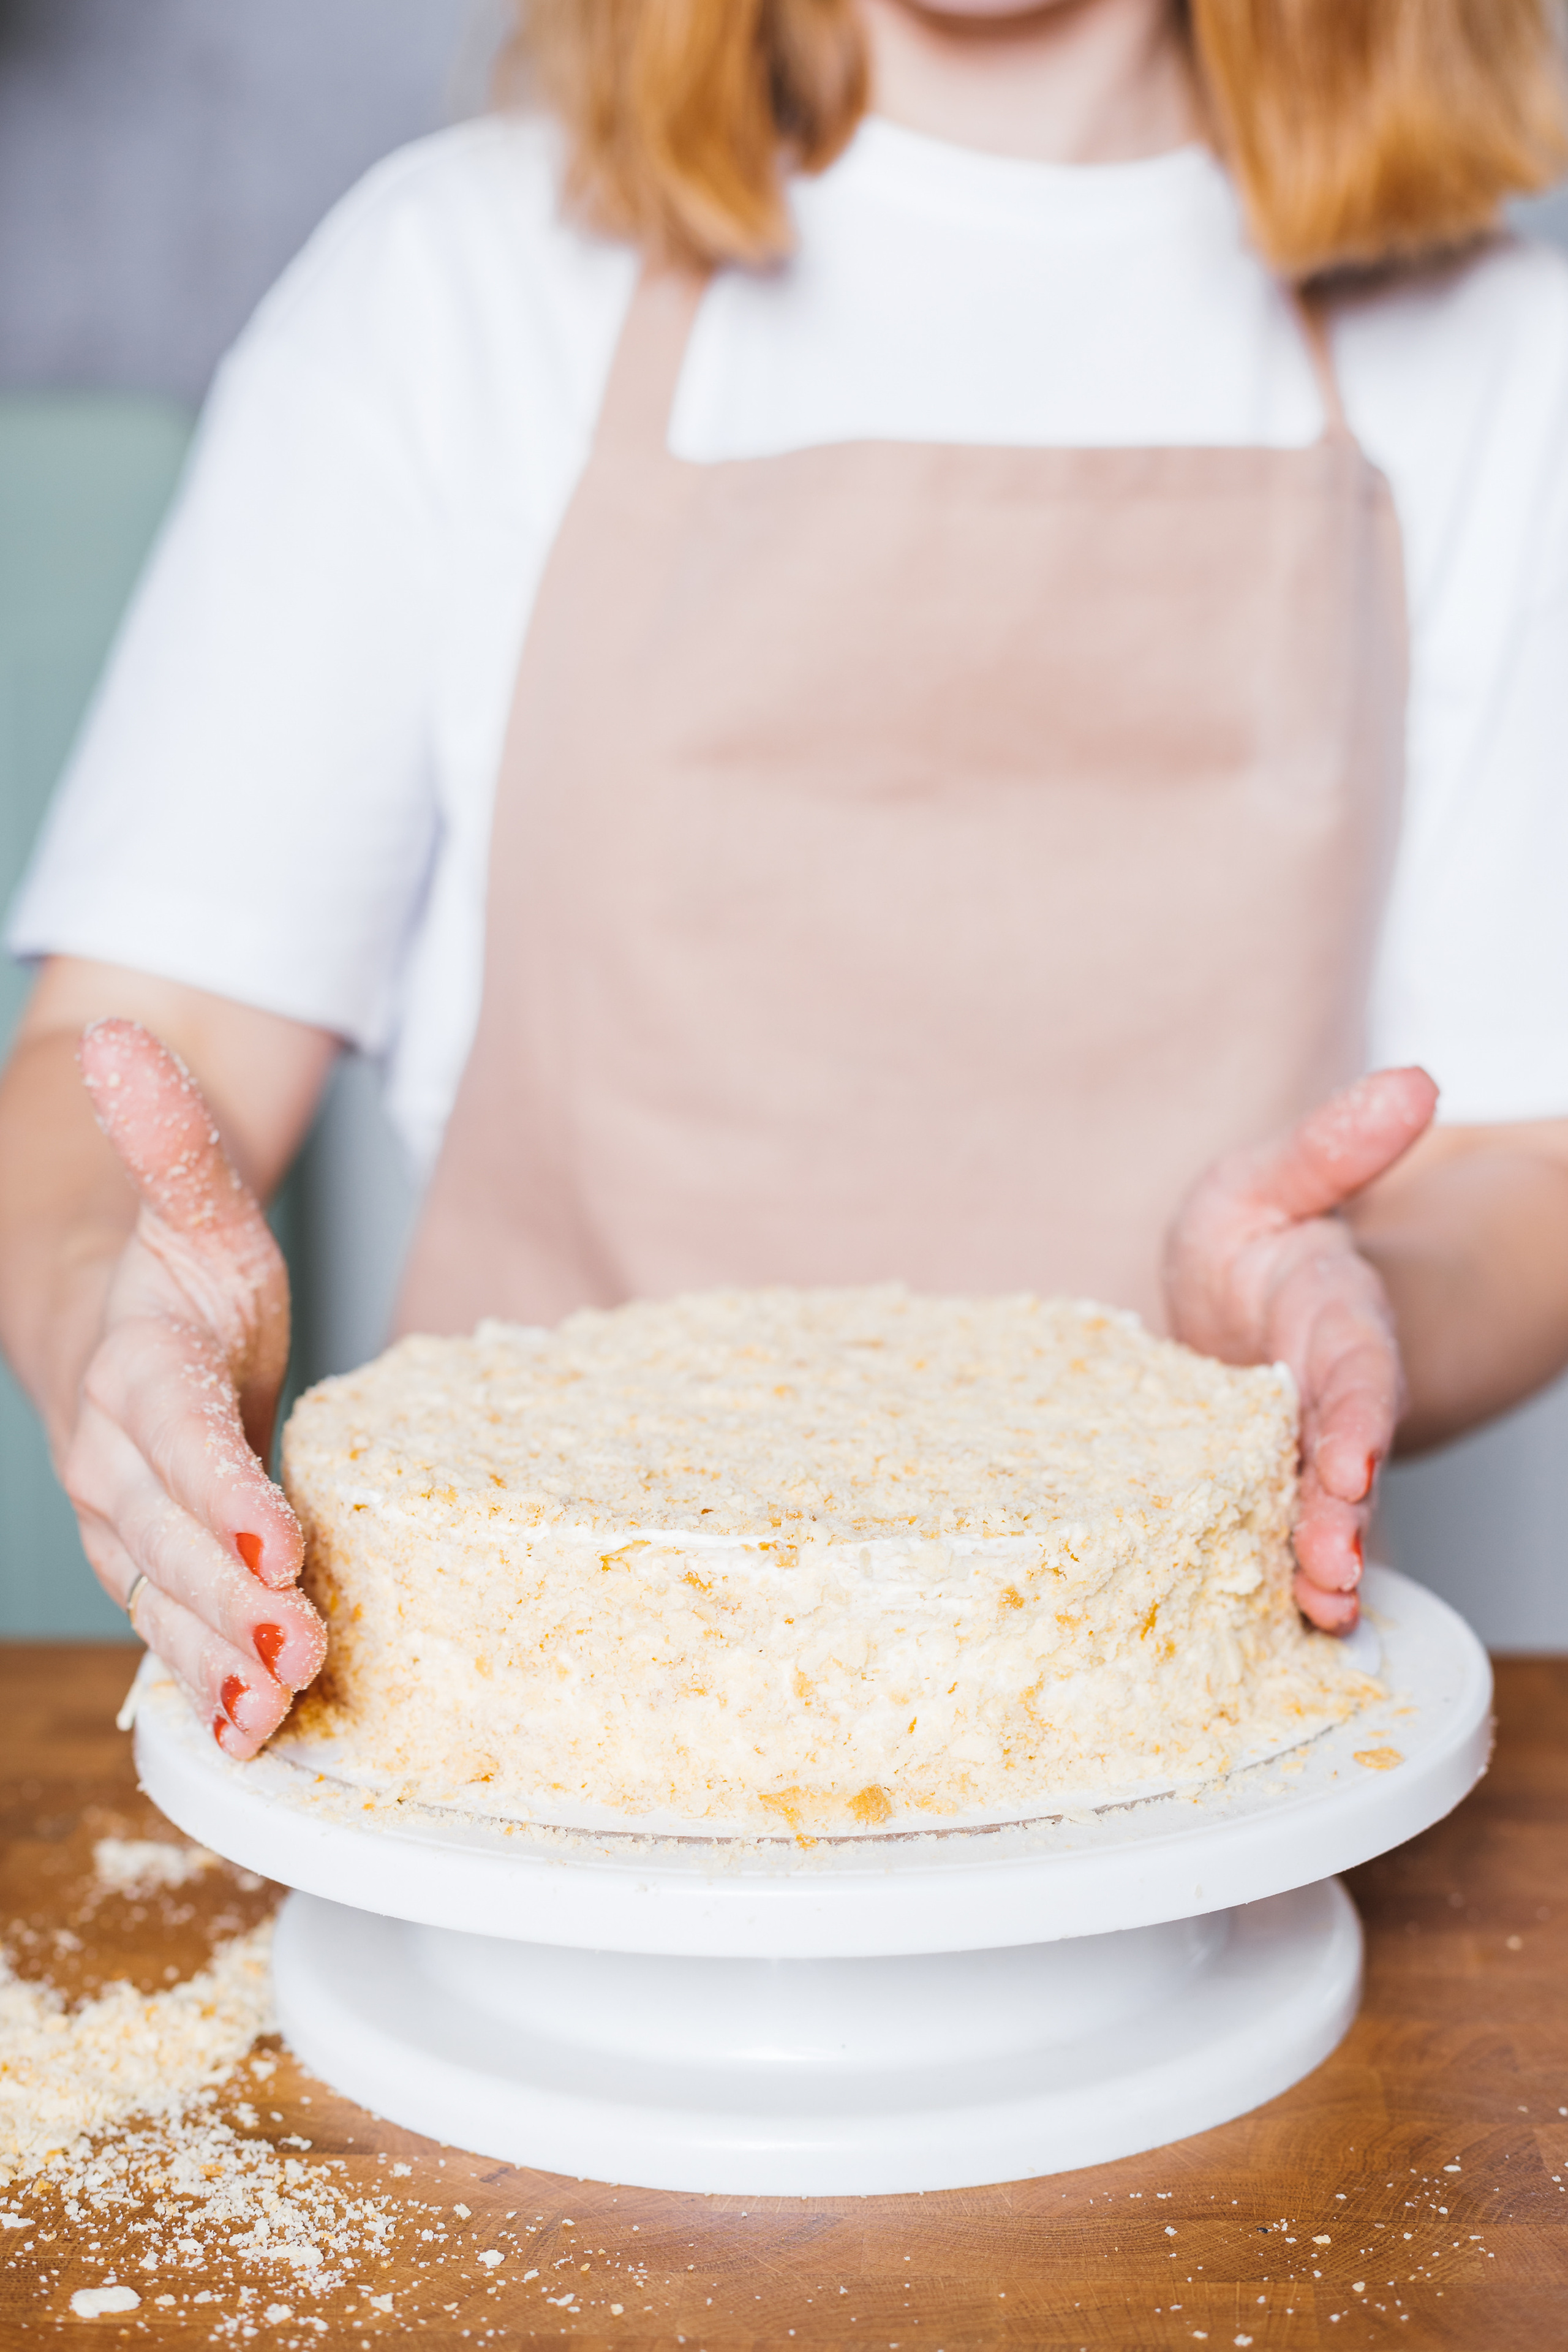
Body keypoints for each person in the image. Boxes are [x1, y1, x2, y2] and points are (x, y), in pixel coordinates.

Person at [2, 0, 1567, 1760]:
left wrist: (1369, 1310)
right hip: (521, 1776)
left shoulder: (1505, 358)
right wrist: (110, 1327)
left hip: (1183, 1797)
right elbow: (143, 1041)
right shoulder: (455, 283)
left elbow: (1525, 1160)